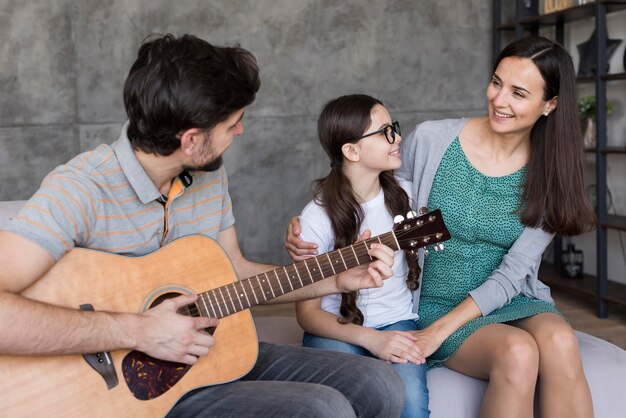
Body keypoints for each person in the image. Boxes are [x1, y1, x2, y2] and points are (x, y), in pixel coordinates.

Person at [0, 34, 406, 418]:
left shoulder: (208, 174)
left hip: (207, 354)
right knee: (323, 410)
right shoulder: (80, 189)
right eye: (232, 125)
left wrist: (335, 279)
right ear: (191, 140)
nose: (241, 130)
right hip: (127, 393)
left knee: (379, 384)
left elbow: (237, 274)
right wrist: (139, 331)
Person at [286, 36, 596, 418]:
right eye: (497, 82)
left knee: (562, 341)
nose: (500, 100)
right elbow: (370, 192)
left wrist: (440, 333)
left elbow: (515, 273)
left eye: (518, 93)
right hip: (434, 299)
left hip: (508, 294)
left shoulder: (551, 172)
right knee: (518, 352)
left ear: (550, 105)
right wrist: (313, 223)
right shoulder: (434, 140)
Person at [294, 94, 429, 418]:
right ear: (351, 151)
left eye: (393, 128)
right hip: (335, 327)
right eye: (384, 132)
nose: (396, 138)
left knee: (410, 403)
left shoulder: (407, 195)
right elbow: (307, 313)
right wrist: (372, 340)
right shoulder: (316, 217)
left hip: (397, 320)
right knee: (344, 399)